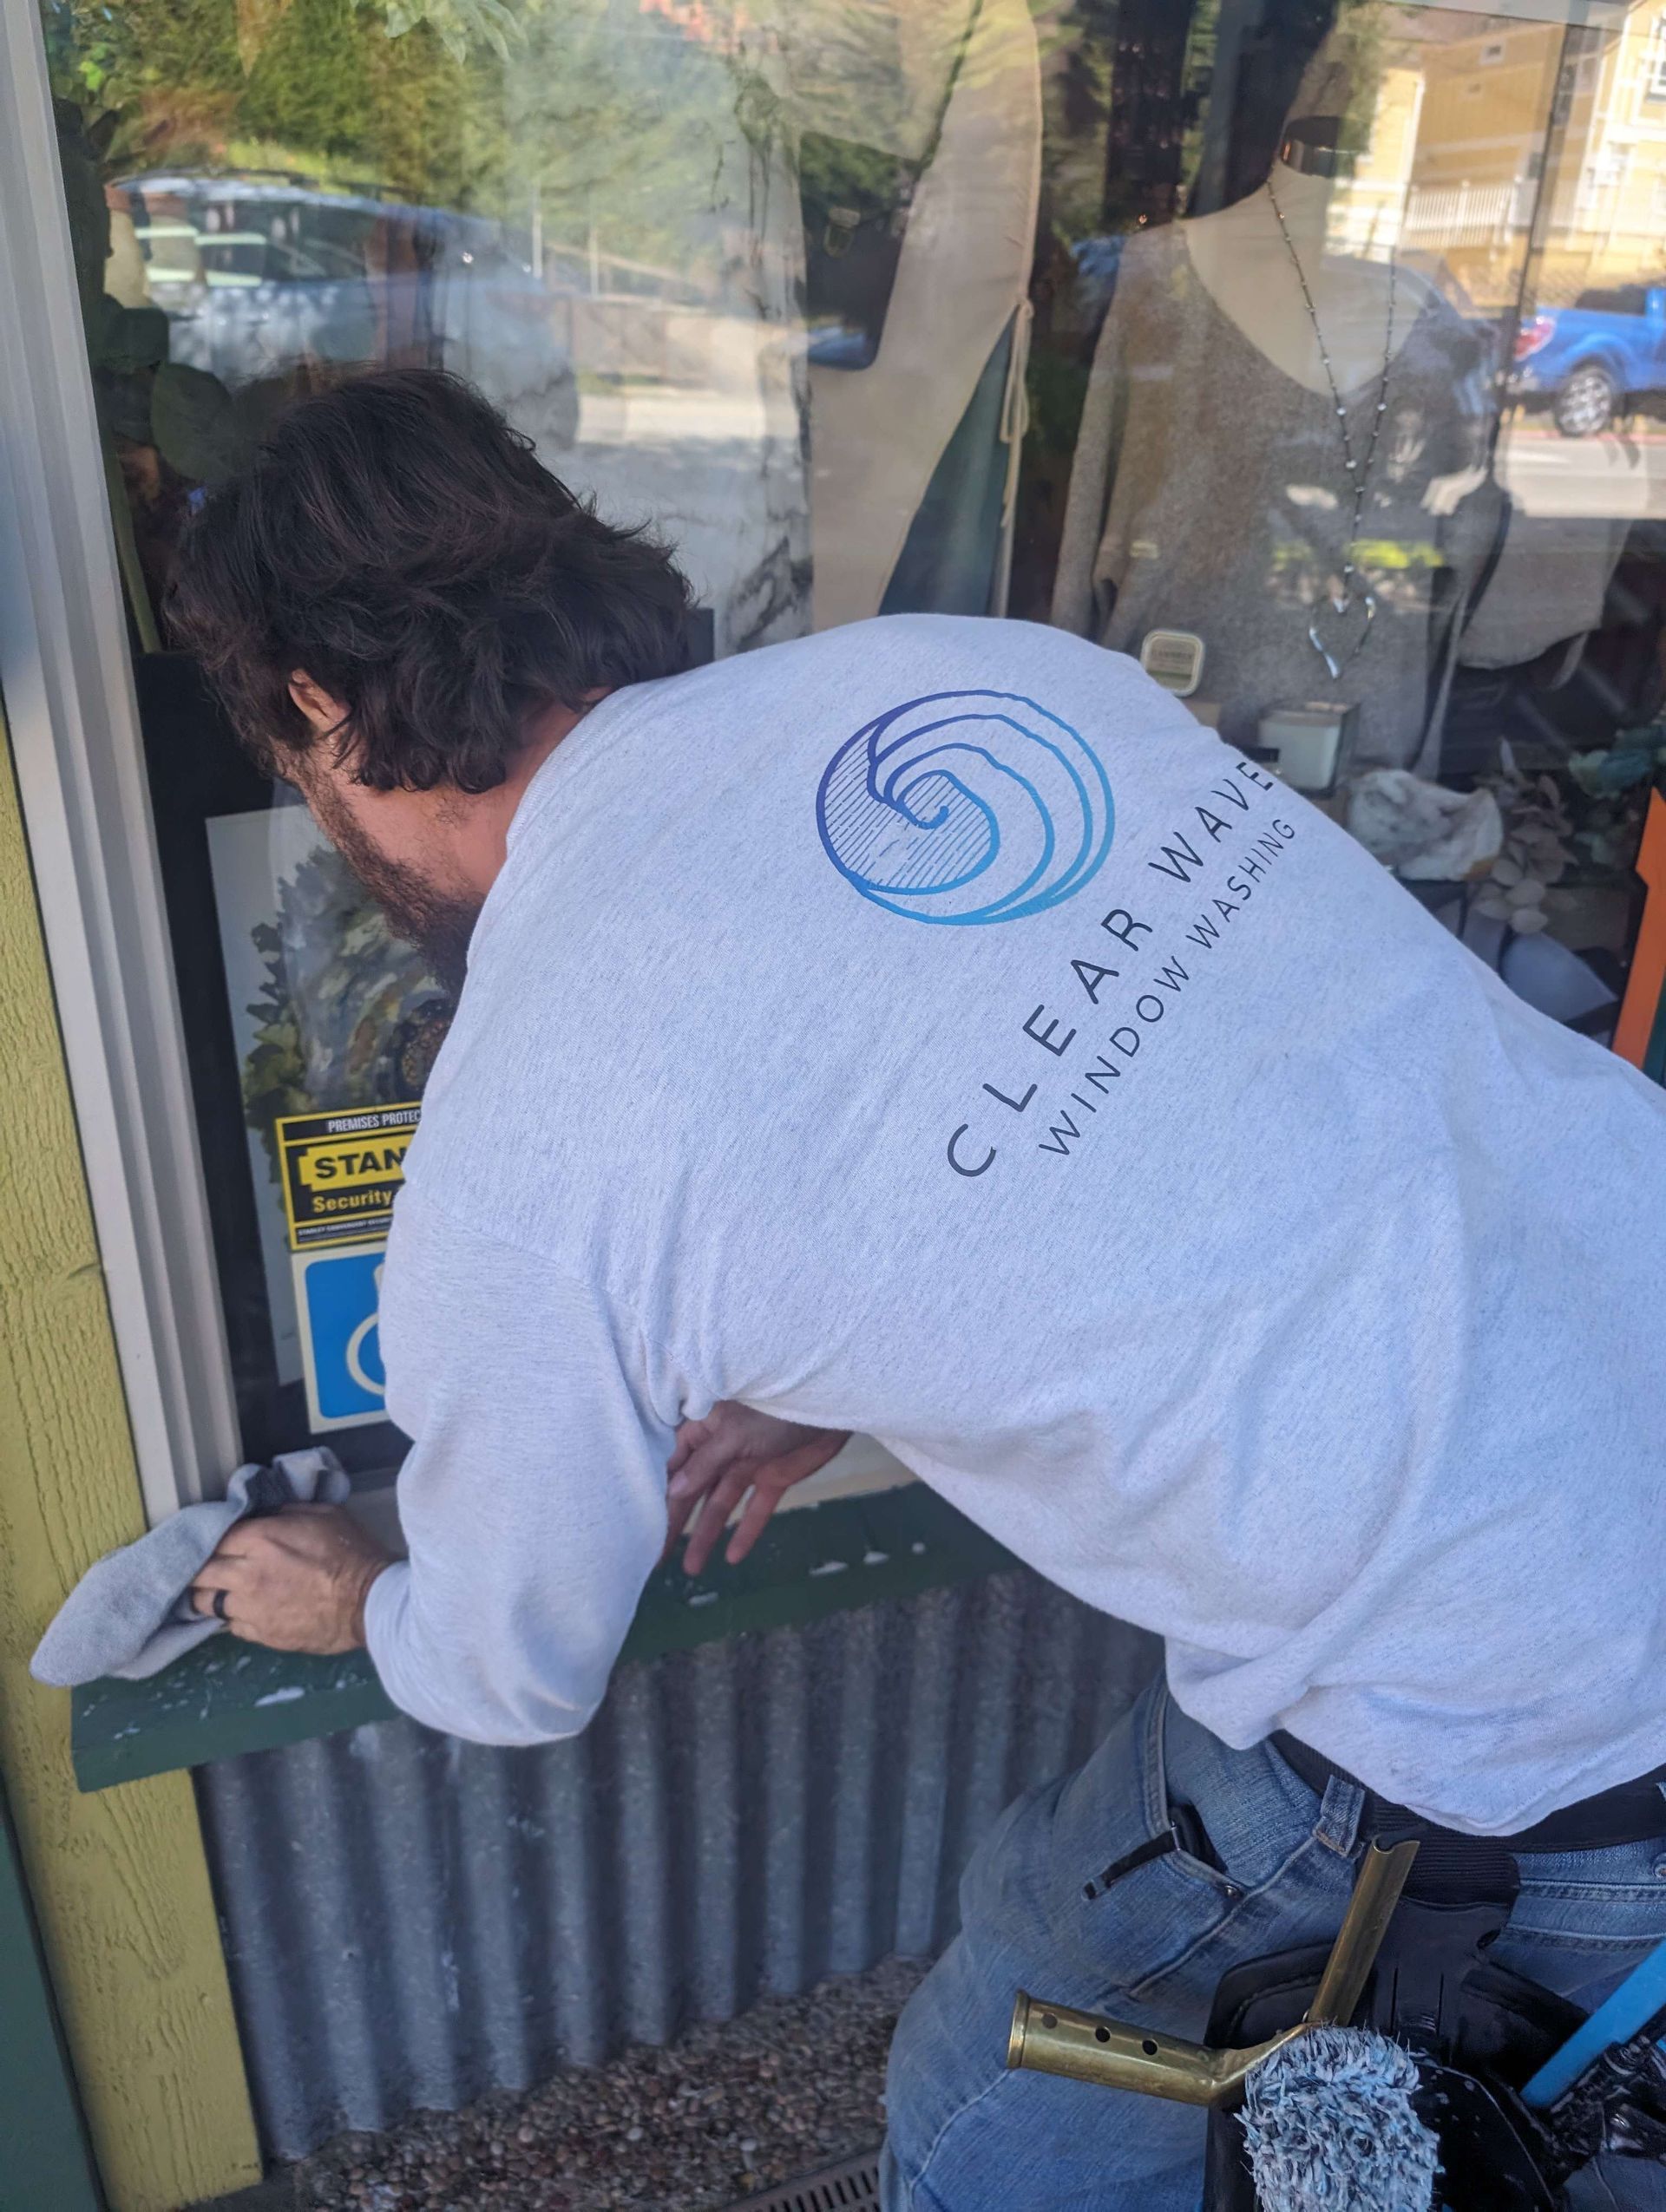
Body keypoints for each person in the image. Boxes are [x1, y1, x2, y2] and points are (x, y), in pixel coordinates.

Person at [169, 369, 1666, 2211]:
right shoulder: (977, 677)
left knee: (989, 2124)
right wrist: (846, 1354)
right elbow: (1212, 1090)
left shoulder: (521, 1138)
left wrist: (358, 1601)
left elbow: (512, 1663)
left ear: (322, 714)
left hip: (1520, 1730)